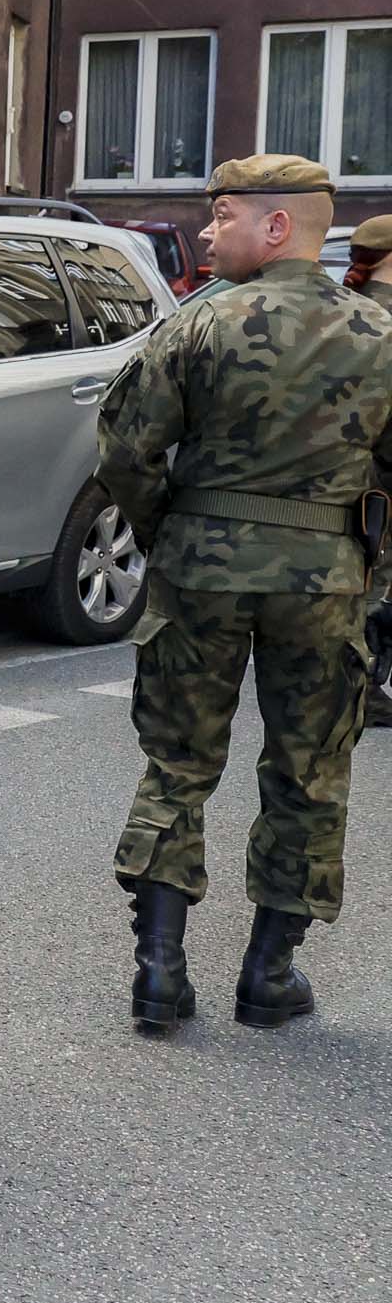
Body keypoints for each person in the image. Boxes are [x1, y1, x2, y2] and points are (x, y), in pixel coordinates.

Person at [96, 154, 392, 1036]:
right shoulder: (379, 333)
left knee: (178, 764)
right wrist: (370, 566)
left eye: (223, 215)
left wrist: (168, 532)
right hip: (324, 577)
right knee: (310, 769)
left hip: (202, 570)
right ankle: (269, 974)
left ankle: (159, 972)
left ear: (277, 226)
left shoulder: (200, 322)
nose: (207, 229)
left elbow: (124, 448)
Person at [344, 215, 392, 730]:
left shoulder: (343, 311)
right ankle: (362, 691)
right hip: (380, 488)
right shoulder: (387, 320)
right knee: (372, 591)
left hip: (341, 486)